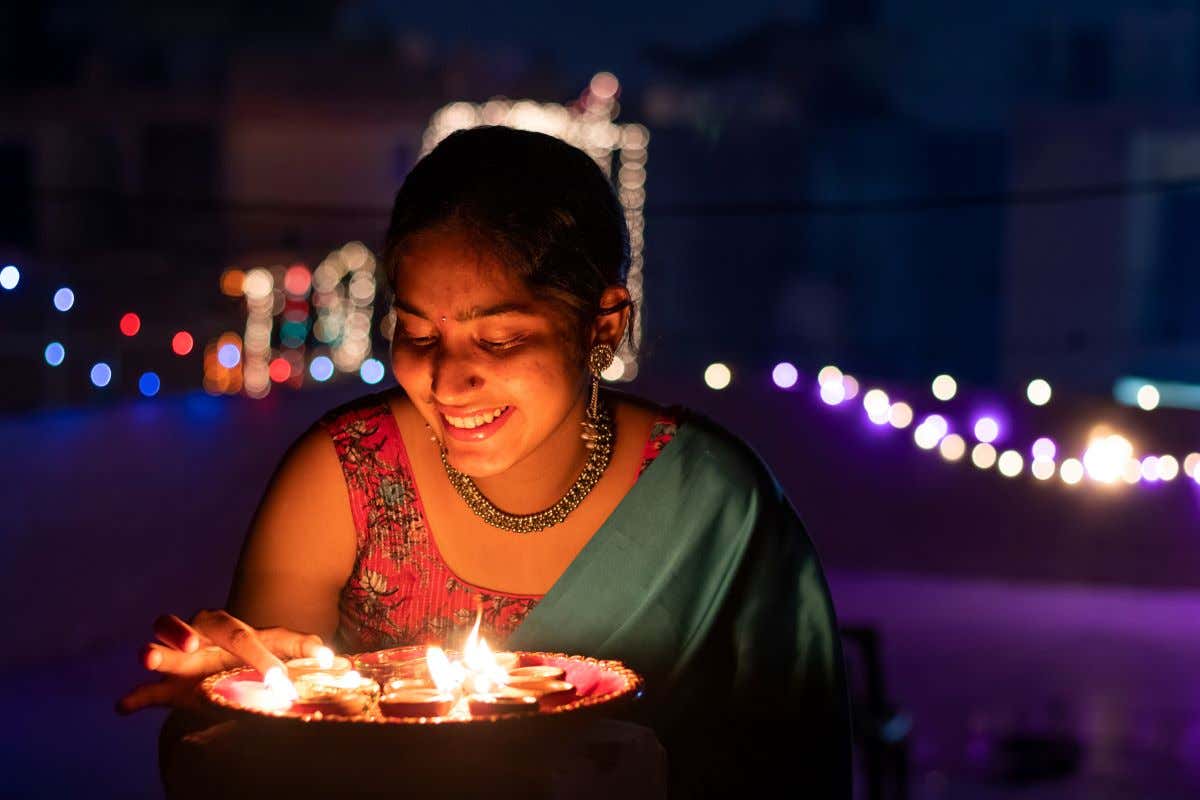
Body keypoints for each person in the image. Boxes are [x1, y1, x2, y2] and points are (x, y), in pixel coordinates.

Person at [118, 126, 852, 797]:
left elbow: (788, 771)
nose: (445, 381)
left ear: (604, 325)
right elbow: (255, 758)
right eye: (416, 333)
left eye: (498, 340)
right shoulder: (345, 477)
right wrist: (235, 707)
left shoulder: (716, 506)